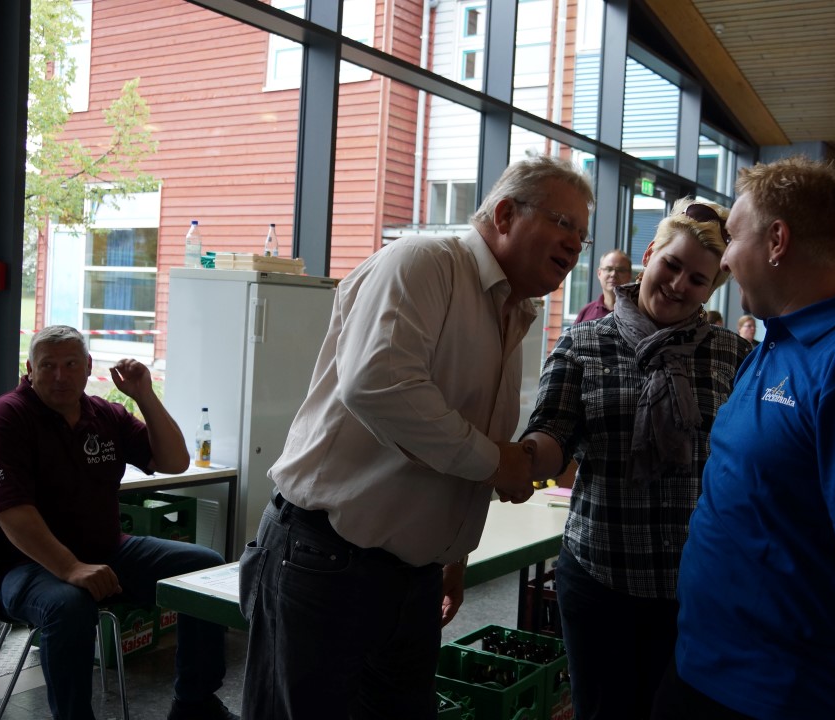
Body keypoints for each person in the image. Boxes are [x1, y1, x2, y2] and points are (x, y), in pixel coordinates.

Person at [239, 155, 595, 720]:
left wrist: (455, 551)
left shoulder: (513, 310)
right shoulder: (425, 262)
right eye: (563, 223)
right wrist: (497, 463)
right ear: (505, 214)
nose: (575, 245)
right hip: (328, 559)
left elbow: (458, 436)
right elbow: (379, 385)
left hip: (413, 576)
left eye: (582, 233)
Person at [653, 157, 835, 720]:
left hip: (774, 694)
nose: (725, 261)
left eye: (734, 238)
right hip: (700, 666)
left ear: (777, 240)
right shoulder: (777, 340)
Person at [521, 199, 752, 719]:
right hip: (601, 578)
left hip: (696, 589)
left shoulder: (732, 355)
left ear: (711, 289)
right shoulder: (583, 341)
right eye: (672, 264)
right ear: (650, 255)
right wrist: (526, 457)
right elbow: (553, 430)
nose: (678, 284)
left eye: (697, 279)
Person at [0, 325, 236, 720]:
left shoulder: (104, 414)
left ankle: (195, 704)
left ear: (88, 367)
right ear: (29, 369)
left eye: (70, 364)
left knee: (203, 568)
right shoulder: (8, 415)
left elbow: (174, 461)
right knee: (69, 605)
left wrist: (144, 395)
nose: (60, 376)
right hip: (29, 567)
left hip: (109, 551)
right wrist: (70, 567)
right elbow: (12, 510)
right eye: (47, 366)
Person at [574, 249, 633, 322]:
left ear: (629, 276)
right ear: (599, 273)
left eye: (620, 270)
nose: (613, 274)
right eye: (609, 269)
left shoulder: (638, 312)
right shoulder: (586, 312)